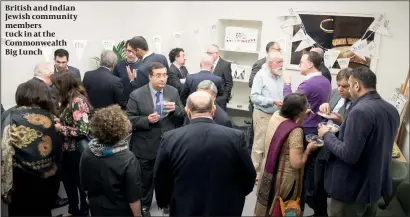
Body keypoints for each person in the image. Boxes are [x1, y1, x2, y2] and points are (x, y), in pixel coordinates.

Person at [154, 91, 256, 216]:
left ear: (187, 111)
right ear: (213, 110)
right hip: (224, 209)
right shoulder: (236, 137)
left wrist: (166, 202)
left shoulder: (170, 138)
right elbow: (249, 175)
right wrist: (235, 198)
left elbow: (161, 176)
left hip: (185, 208)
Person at [318, 66, 400, 217]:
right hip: (374, 186)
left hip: (353, 190)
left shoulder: (360, 111)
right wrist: (342, 127)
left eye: (348, 85)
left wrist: (326, 135)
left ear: (356, 85)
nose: (347, 90)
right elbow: (372, 141)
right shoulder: (391, 109)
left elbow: (348, 154)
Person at [126, 62, 184, 217]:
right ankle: (144, 206)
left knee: (168, 176)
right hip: (145, 145)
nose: (162, 79)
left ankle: (166, 203)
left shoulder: (172, 91)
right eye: (158, 75)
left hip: (168, 143)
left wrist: (175, 110)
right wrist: (146, 120)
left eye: (164, 75)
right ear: (150, 77)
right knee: (145, 180)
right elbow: (129, 119)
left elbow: (183, 112)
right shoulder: (137, 95)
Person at [1, 79, 60, 216]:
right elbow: (57, 151)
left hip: (20, 180)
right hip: (45, 179)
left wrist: (5, 189)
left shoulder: (11, 116)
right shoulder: (49, 117)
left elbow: (5, 154)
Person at [255, 93, 319, 216]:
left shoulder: (275, 116)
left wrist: (300, 116)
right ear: (300, 112)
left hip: (270, 171)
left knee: (269, 207)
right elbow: (296, 163)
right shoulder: (296, 132)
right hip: (286, 179)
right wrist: (308, 150)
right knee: (284, 208)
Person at [283, 51, 331, 215]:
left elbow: (290, 103)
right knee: (312, 168)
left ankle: (301, 201)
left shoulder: (308, 84)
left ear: (311, 64)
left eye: (302, 62)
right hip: (317, 127)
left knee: (302, 166)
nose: (299, 65)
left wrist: (287, 84)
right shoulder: (325, 80)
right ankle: (313, 203)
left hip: (306, 128)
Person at [80, 105, 141, 216]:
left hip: (96, 208)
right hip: (120, 210)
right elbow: (133, 197)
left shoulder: (88, 151)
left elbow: (85, 187)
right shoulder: (128, 158)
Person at [314, 68, 354, 216]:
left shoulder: (359, 103)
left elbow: (355, 130)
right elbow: (326, 112)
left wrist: (341, 121)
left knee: (334, 185)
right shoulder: (335, 92)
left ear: (354, 85)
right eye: (339, 85)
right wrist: (324, 106)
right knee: (318, 182)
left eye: (345, 86)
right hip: (325, 141)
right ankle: (319, 213)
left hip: (342, 147)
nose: (341, 89)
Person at [51, 71, 91, 217]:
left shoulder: (77, 101)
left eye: (56, 85)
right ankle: (73, 210)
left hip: (76, 151)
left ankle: (84, 212)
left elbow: (82, 130)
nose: (54, 88)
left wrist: (60, 127)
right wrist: (59, 121)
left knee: (81, 184)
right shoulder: (67, 99)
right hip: (67, 149)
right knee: (68, 182)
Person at [250, 50, 285, 183]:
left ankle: (266, 171)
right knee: (259, 144)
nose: (281, 64)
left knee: (271, 144)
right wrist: (272, 101)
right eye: (279, 62)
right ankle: (254, 173)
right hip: (263, 114)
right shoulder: (261, 75)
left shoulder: (280, 75)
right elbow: (254, 97)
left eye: (282, 62)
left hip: (277, 115)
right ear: (270, 63)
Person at [206, 44, 233, 111]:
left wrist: (224, 98)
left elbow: (229, 83)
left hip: (219, 99)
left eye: (210, 53)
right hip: (206, 98)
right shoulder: (206, 62)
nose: (208, 55)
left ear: (217, 54)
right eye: (207, 53)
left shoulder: (225, 65)